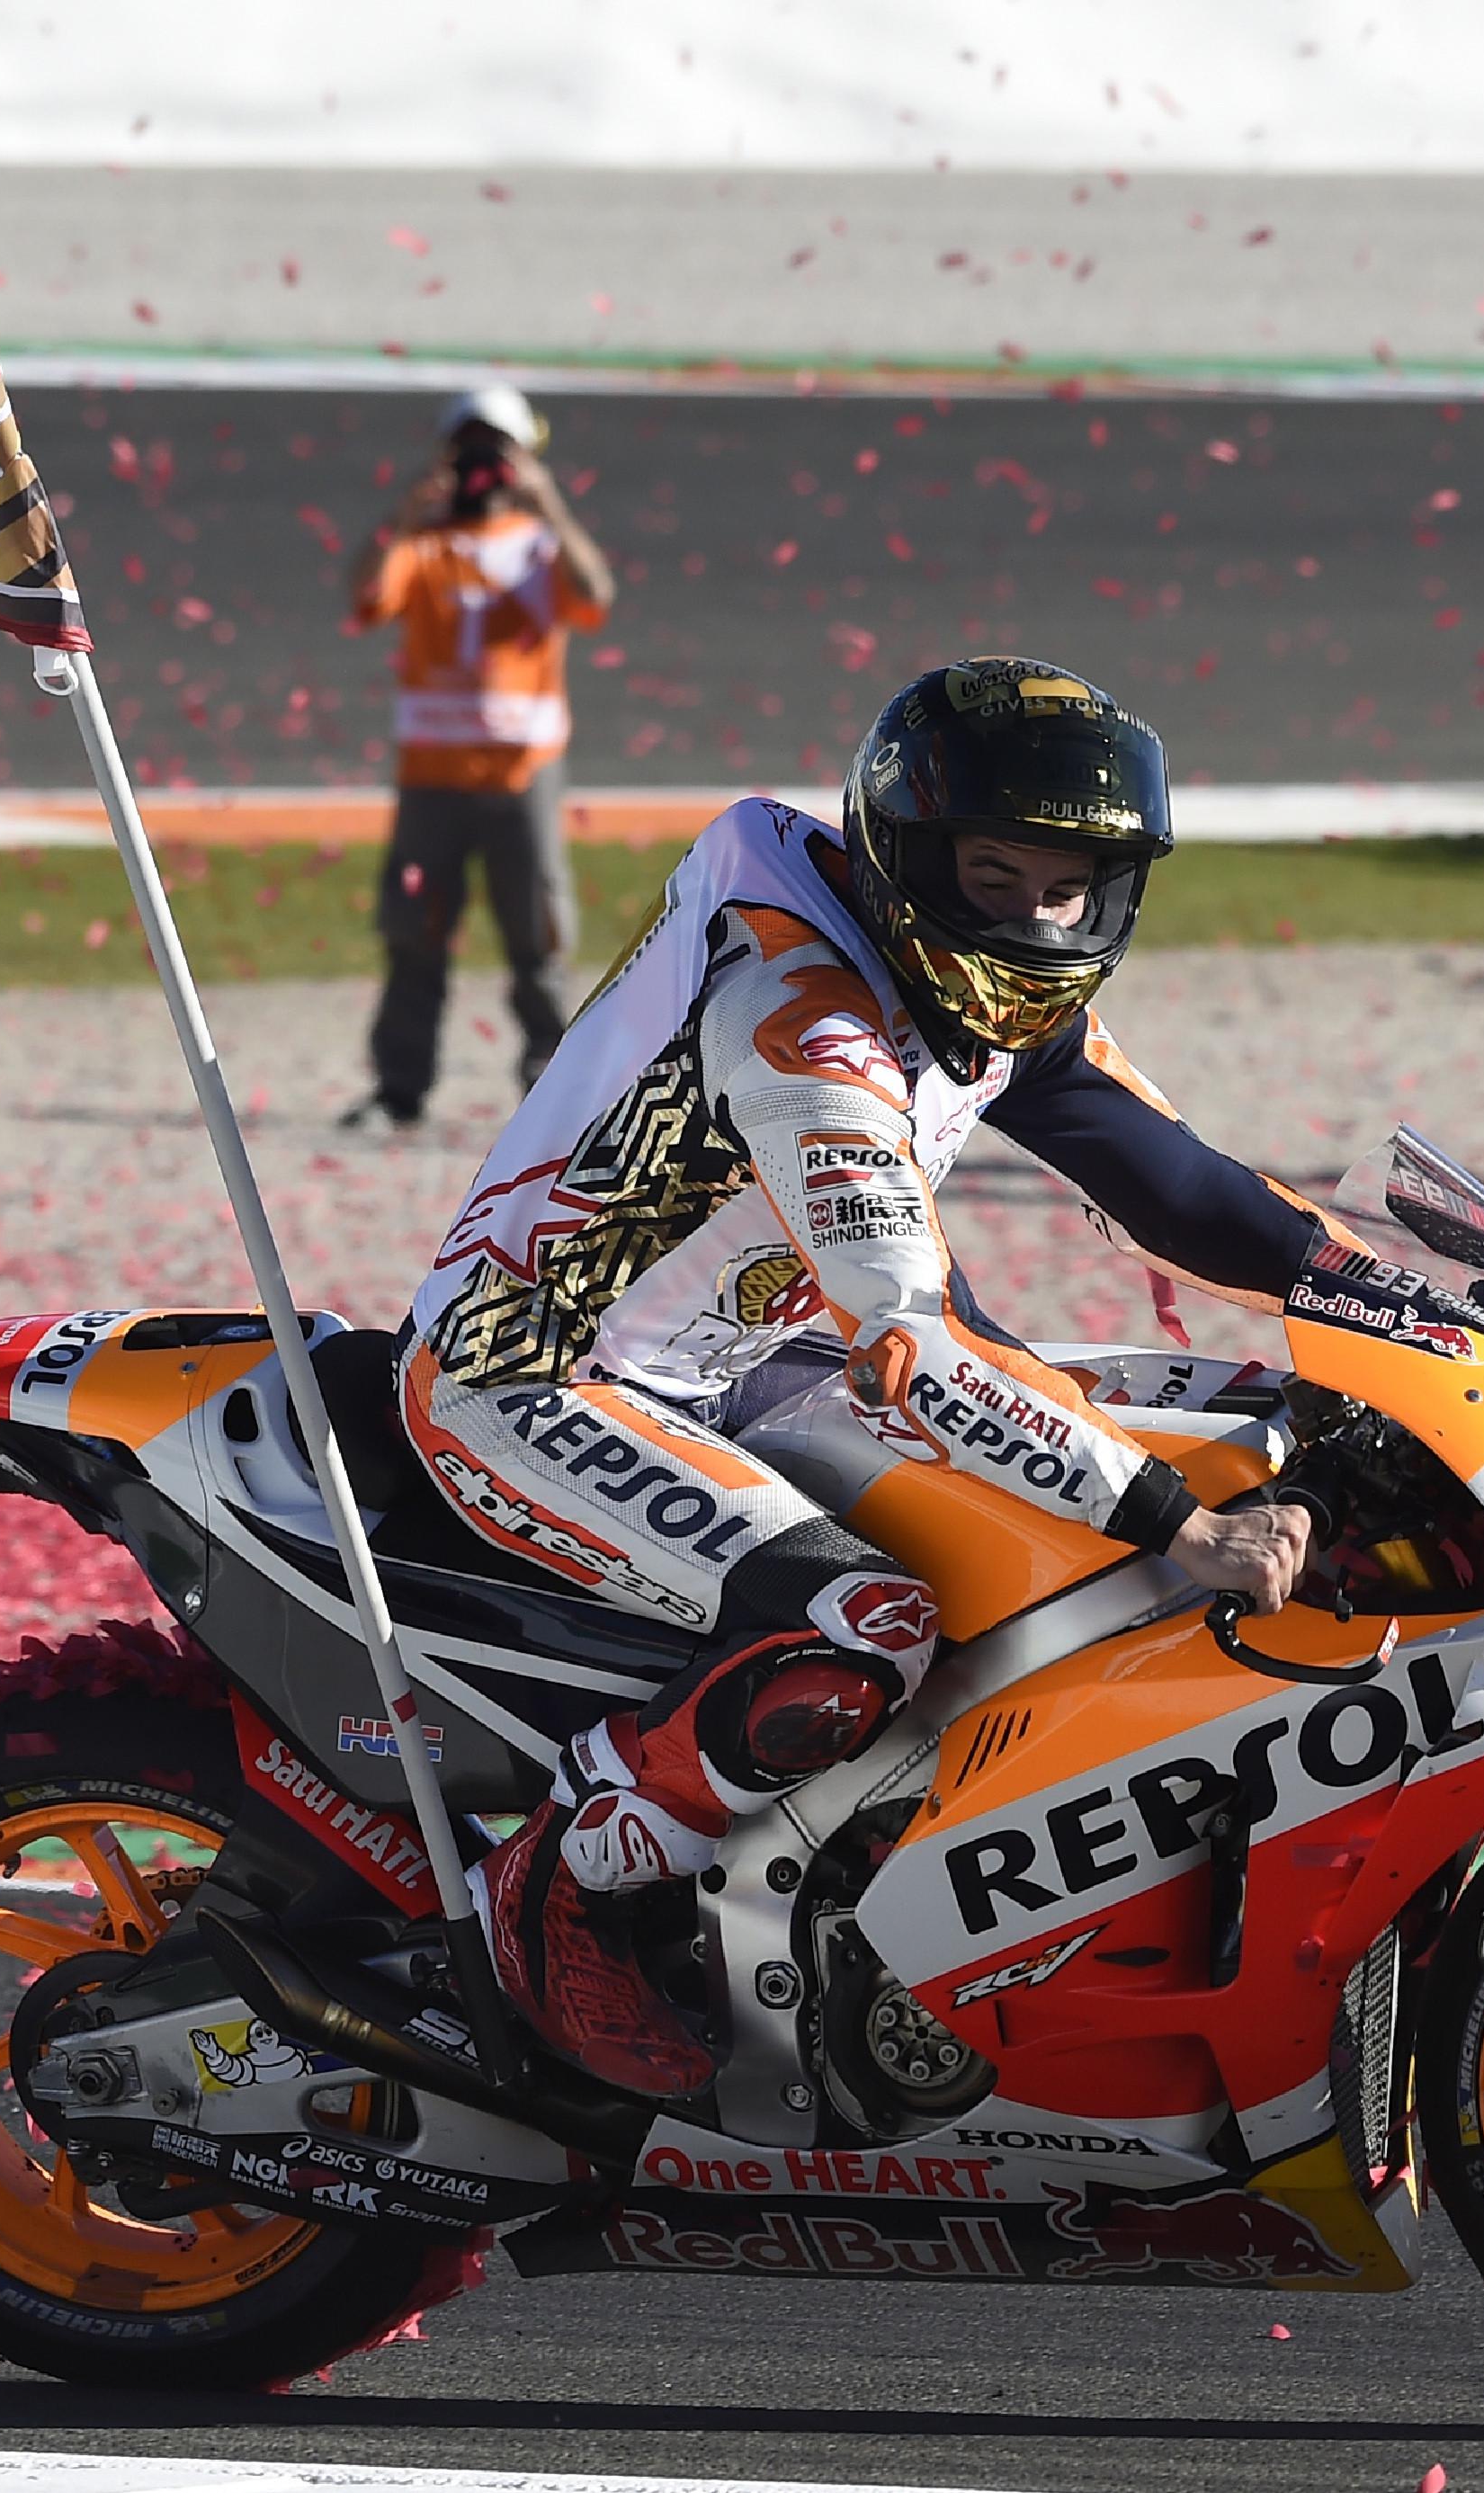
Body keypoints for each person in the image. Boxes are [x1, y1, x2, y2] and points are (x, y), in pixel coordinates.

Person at [381, 658, 1335, 2095]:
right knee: (864, 1624)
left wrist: (1395, 1298)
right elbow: (922, 1350)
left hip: (756, 1349)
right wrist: (1180, 1532)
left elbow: (1180, 1182)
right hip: (537, 1374)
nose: (1032, 918)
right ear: (907, 859)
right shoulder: (807, 1021)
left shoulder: (975, 973)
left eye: (1068, 886)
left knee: (1217, 1414)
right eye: (995, 874)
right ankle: (564, 1888)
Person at [342, 385, 620, 1135]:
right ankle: (400, 1088)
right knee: (413, 936)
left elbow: (598, 595)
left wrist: (549, 506)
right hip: (432, 777)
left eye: (497, 453)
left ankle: (557, 1095)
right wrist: (408, 511)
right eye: (468, 452)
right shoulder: (423, 544)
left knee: (539, 936)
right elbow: (364, 595)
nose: (481, 469)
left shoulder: (543, 544)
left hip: (522, 774)